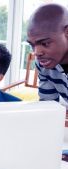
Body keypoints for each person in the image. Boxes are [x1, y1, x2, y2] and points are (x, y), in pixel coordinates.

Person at [26, 3, 68, 161]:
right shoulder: (44, 64)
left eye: (45, 43)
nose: (37, 52)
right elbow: (47, 108)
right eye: (32, 45)